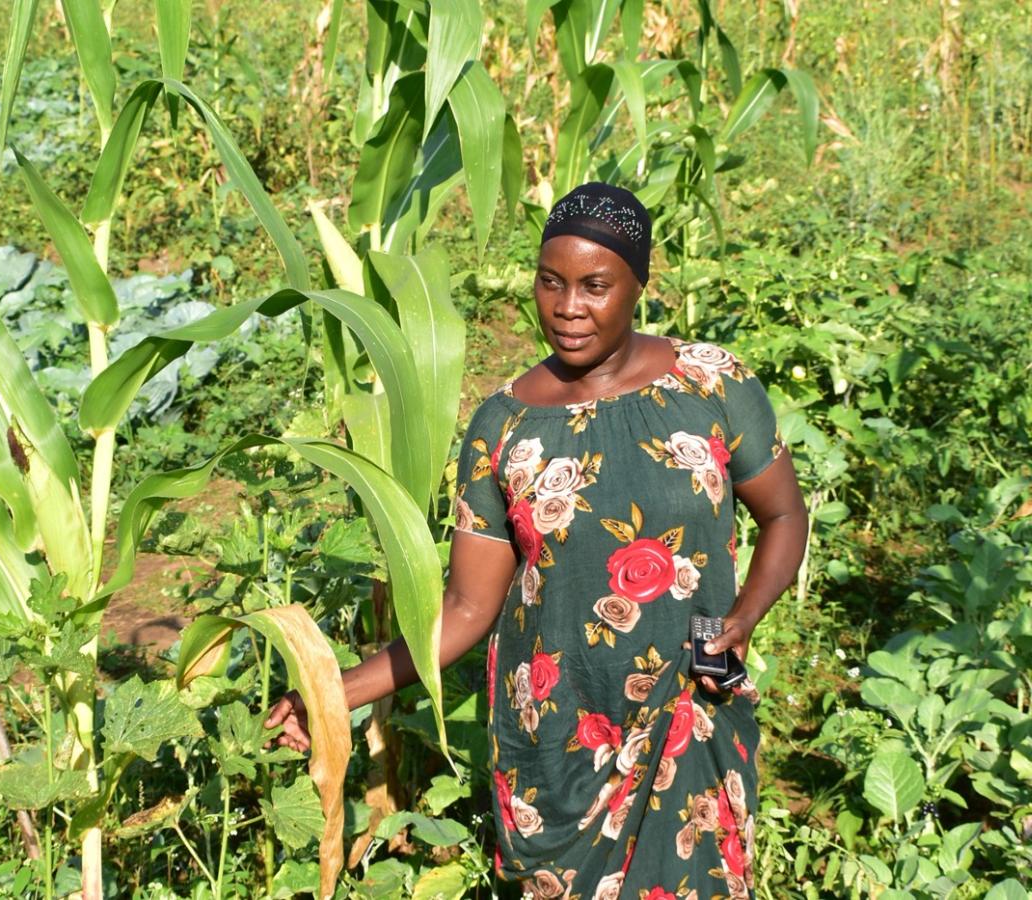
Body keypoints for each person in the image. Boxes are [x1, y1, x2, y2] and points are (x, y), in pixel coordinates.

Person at [267, 182, 808, 898]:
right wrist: (332, 692)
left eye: (595, 286)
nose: (568, 308)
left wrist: (741, 620)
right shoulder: (504, 428)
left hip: (688, 711)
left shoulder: (710, 382)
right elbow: (464, 607)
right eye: (551, 283)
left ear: (638, 284)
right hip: (560, 742)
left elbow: (784, 516)